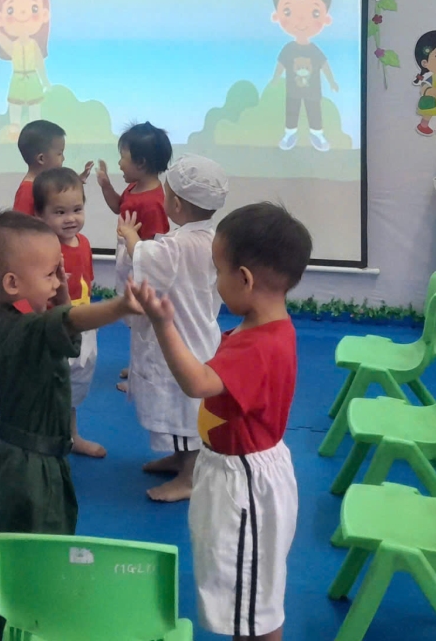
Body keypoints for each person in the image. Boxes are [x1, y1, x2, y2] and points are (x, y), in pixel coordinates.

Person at [128, 202, 311, 641]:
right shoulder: (260, 326)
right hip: (231, 469)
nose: (214, 282)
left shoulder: (260, 344)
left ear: (244, 279)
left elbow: (197, 383)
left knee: (253, 604)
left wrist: (163, 324)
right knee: (238, 590)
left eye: (217, 271)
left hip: (244, 482)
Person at [0, 211, 137, 641]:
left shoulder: (9, 315)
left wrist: (61, 291)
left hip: (33, 453)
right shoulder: (22, 328)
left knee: (26, 534)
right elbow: (68, 323)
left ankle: (18, 616)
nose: (58, 280)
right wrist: (121, 306)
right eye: (50, 274)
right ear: (13, 283)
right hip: (29, 462)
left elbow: (61, 326)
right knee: (33, 542)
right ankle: (21, 622)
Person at [119, 154, 228, 502]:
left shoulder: (176, 245)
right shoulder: (213, 238)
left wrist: (130, 236)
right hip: (201, 335)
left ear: (176, 204)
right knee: (181, 405)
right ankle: (179, 460)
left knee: (182, 408)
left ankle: (190, 475)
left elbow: (146, 260)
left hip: (180, 339)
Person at [32, 166, 104, 458]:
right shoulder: (43, 250)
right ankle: (41, 439)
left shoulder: (84, 243)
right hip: (55, 328)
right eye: (59, 212)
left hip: (83, 325)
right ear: (40, 215)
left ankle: (72, 436)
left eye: (77, 209)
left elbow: (87, 283)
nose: (71, 218)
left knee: (75, 385)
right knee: (49, 385)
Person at [98, 121, 171, 390]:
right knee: (134, 322)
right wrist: (106, 186)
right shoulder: (135, 187)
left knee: (144, 324)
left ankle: (145, 376)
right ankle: (140, 366)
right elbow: (118, 207)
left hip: (141, 267)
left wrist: (142, 273)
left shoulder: (153, 201)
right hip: (128, 261)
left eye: (123, 158)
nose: (119, 164)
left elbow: (154, 247)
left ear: (140, 163)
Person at [270, 0, 338, 151]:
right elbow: (281, 64)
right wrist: (275, 78)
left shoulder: (315, 50)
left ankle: (317, 134)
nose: (300, 20)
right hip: (292, 91)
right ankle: (290, 134)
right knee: (292, 112)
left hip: (313, 92)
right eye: (288, 11)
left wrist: (332, 82)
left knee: (314, 111)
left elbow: (324, 65)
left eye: (314, 12)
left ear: (326, 17)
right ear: (276, 15)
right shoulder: (288, 49)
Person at [0, 0, 51, 140]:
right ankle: (14, 127)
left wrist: (45, 80)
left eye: (33, 9)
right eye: (11, 10)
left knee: (34, 105)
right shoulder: (14, 45)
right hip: (17, 78)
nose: (22, 15)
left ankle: (37, 128)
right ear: (0, 18)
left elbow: (39, 63)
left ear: (45, 14)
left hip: (32, 77)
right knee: (15, 104)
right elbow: (7, 45)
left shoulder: (34, 45)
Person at [12, 118, 91, 214]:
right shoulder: (27, 191)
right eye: (59, 153)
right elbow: (19, 222)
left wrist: (78, 181)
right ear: (41, 159)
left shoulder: (46, 185)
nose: (63, 158)